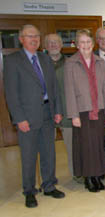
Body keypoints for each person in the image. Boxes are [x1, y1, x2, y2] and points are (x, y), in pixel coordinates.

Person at [4, 24, 65, 208]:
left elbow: (54, 88)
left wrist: (57, 110)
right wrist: (19, 118)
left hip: (47, 112)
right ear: (21, 39)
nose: (34, 39)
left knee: (49, 152)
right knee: (29, 156)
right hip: (27, 117)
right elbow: (11, 94)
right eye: (30, 36)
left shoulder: (45, 59)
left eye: (37, 36)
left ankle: (48, 185)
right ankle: (29, 191)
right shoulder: (13, 61)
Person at [64, 29, 105, 193]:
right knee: (86, 145)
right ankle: (89, 178)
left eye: (88, 42)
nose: (85, 45)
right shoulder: (71, 63)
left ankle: (98, 175)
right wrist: (73, 115)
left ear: (93, 44)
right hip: (82, 111)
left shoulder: (100, 62)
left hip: (99, 109)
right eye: (82, 42)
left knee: (98, 144)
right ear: (77, 45)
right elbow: (69, 91)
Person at [45, 33, 78, 182]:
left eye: (56, 42)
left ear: (61, 45)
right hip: (45, 114)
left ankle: (76, 174)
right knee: (46, 150)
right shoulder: (39, 63)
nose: (53, 45)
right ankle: (48, 179)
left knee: (72, 148)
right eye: (50, 43)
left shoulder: (70, 63)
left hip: (66, 112)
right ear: (45, 46)